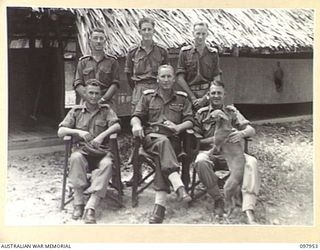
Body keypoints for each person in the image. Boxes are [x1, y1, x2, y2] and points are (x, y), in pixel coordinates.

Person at [131, 65, 193, 224]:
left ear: (174, 79)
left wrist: (178, 127)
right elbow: (136, 116)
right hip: (151, 138)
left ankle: (160, 207)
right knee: (163, 144)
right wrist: (137, 125)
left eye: (169, 77)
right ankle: (178, 186)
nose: (166, 80)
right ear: (157, 79)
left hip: (172, 141)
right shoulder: (147, 97)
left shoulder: (182, 98)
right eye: (163, 76)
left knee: (162, 156)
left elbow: (190, 121)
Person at [193, 80, 260, 224]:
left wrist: (240, 134)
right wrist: (218, 138)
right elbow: (196, 140)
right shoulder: (201, 114)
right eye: (213, 93)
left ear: (224, 95)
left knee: (252, 162)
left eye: (219, 93)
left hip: (233, 156)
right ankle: (219, 199)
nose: (216, 96)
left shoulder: (232, 112)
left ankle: (248, 206)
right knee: (200, 161)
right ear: (208, 95)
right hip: (211, 153)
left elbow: (251, 130)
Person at [57, 79, 121, 224]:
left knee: (107, 164)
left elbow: (116, 126)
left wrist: (101, 136)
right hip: (82, 151)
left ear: (100, 95)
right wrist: (78, 132)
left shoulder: (106, 110)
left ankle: (91, 206)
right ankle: (78, 203)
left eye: (96, 93)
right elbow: (61, 131)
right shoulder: (76, 111)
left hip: (101, 152)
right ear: (85, 94)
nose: (93, 96)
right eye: (90, 93)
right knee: (75, 158)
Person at [125, 17, 169, 186]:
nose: (147, 32)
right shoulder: (132, 52)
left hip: (157, 90)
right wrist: (139, 90)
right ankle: (136, 174)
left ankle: (161, 170)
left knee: (156, 126)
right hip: (139, 90)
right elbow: (129, 76)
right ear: (139, 31)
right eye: (144, 29)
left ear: (154, 30)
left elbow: (166, 72)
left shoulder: (162, 51)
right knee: (137, 131)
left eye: (149, 29)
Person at [176, 21, 222, 111]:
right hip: (190, 94)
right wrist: (192, 98)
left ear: (207, 34)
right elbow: (180, 78)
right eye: (198, 33)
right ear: (193, 34)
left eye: (203, 34)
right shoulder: (185, 53)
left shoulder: (213, 53)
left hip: (208, 94)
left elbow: (216, 78)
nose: (200, 37)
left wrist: (205, 98)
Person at [73, 28, 120, 109]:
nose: (98, 41)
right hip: (86, 102)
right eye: (95, 38)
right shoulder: (83, 62)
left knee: (111, 121)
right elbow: (78, 84)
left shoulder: (112, 61)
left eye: (101, 38)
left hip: (106, 102)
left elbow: (115, 84)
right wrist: (89, 99)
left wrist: (102, 99)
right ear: (90, 41)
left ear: (105, 41)